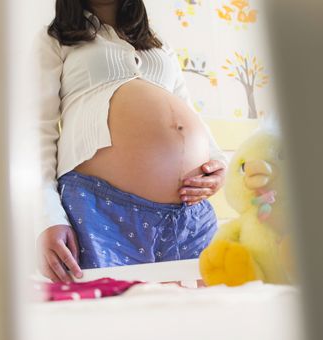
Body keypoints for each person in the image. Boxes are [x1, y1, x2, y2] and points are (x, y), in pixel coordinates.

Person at [34, 0, 227, 282]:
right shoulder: (56, 40)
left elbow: (186, 110)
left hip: (188, 214)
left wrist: (218, 164)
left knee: (202, 319)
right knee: (115, 321)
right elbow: (37, 131)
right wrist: (48, 217)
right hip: (101, 211)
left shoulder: (159, 46)